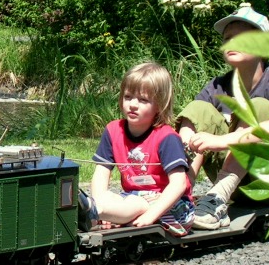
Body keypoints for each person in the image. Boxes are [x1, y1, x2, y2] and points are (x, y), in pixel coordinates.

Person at [177, 6, 269, 230]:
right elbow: (194, 122)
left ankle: (217, 198)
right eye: (227, 38)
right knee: (198, 109)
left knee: (257, 106)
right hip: (242, 188)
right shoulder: (218, 85)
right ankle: (180, 194)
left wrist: (221, 141)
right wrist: (185, 143)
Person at [79, 62, 195, 236]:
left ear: (159, 105)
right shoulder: (113, 130)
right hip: (134, 197)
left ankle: (92, 211)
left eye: (143, 100)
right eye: (128, 97)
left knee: (135, 202)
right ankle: (96, 209)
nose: (133, 104)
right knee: (110, 197)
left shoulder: (166, 137)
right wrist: (99, 199)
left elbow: (178, 184)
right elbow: (101, 174)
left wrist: (151, 215)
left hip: (173, 207)